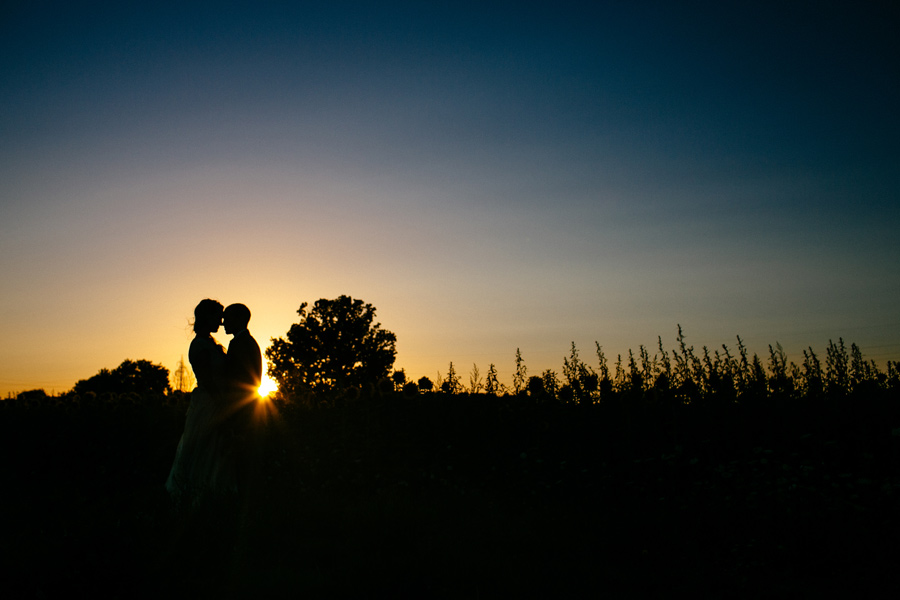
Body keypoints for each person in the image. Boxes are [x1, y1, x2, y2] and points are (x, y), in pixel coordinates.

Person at [165, 299, 234, 508]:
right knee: (205, 447)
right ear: (207, 317)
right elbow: (207, 379)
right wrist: (223, 404)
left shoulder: (209, 343)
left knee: (214, 448)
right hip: (209, 403)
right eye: (218, 316)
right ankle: (197, 495)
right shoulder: (200, 345)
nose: (221, 322)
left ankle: (210, 494)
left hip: (214, 400)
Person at [221, 303, 262, 507]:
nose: (222, 323)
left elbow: (239, 381)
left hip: (241, 410)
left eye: (226, 318)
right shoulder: (246, 342)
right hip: (245, 409)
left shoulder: (240, 344)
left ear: (238, 319)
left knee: (240, 461)